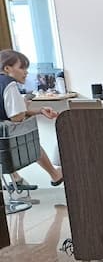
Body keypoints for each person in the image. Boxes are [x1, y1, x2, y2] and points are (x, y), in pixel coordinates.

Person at [0, 49, 63, 187]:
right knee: (30, 137)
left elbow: (9, 112)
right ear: (7, 68)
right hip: (6, 137)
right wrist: (25, 104)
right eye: (22, 68)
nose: (26, 72)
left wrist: (39, 111)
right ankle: (54, 174)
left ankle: (16, 178)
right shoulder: (10, 84)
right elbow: (17, 117)